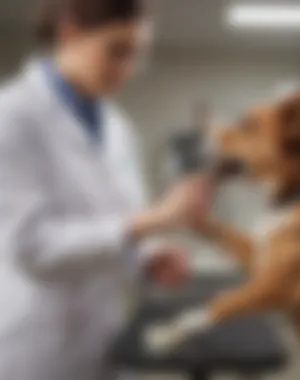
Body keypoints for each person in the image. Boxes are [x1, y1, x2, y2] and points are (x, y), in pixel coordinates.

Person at [0, 0, 214, 379]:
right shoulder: (13, 116)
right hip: (39, 349)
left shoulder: (117, 126)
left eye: (137, 56)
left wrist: (148, 257)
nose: (127, 70)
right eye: (117, 51)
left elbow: (120, 219)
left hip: (108, 337)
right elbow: (32, 247)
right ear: (69, 33)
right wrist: (154, 220)